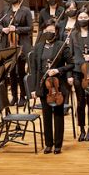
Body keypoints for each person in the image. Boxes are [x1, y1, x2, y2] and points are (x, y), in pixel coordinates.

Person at [28, 21, 71, 154]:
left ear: (56, 32)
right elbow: (34, 69)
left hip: (57, 86)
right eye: (47, 31)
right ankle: (48, 144)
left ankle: (58, 145)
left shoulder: (62, 46)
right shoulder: (38, 47)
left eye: (52, 31)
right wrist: (34, 89)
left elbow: (71, 64)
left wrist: (58, 70)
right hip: (43, 85)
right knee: (46, 115)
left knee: (58, 114)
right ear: (43, 32)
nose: (49, 33)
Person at [69, 8, 89, 142]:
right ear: (77, 19)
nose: (83, 19)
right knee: (80, 101)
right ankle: (82, 129)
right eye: (80, 17)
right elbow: (70, 56)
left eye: (85, 17)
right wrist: (70, 74)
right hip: (77, 72)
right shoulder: (73, 35)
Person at [0, 0, 33, 106]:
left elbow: (30, 28)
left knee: (21, 72)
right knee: (12, 72)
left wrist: (17, 29)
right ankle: (14, 96)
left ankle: (23, 96)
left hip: (21, 45)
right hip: (9, 45)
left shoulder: (26, 10)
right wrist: (3, 29)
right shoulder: (6, 10)